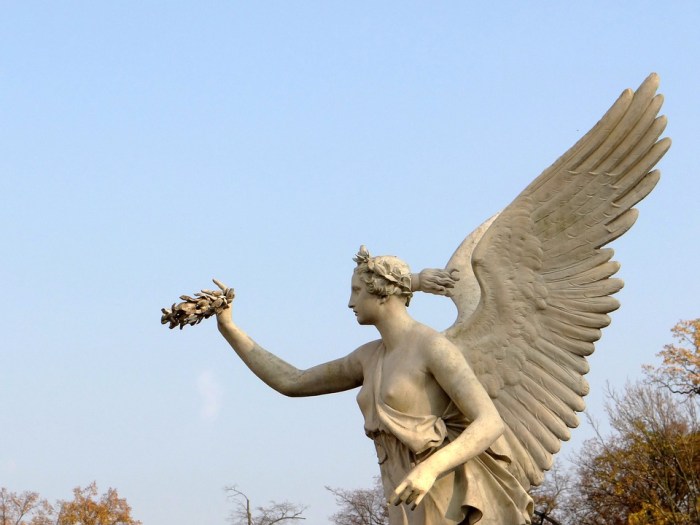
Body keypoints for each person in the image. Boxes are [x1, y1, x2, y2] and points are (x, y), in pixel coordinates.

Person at [215, 247, 532, 524]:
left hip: (443, 492)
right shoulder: (368, 357)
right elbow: (292, 381)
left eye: (357, 291)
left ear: (382, 293)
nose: (350, 302)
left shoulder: (433, 348)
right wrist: (229, 327)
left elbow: (490, 422)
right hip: (402, 491)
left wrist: (430, 469)